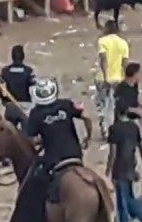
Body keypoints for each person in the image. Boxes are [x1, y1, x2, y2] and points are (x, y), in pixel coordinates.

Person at [17, 78, 92, 209]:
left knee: (33, 182)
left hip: (53, 158)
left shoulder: (36, 113)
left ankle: (35, 213)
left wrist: (41, 138)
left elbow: (31, 139)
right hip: (75, 153)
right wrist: (88, 137)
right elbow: (86, 117)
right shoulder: (65, 104)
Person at [105, 107, 142, 222]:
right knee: (128, 200)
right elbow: (141, 148)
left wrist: (107, 174)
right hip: (130, 168)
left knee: (123, 204)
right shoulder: (133, 127)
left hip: (119, 169)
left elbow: (112, 154)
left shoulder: (114, 129)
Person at [96, 20, 129, 138]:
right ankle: (115, 129)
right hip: (118, 78)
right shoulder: (123, 43)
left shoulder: (102, 41)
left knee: (102, 104)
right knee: (115, 104)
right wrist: (124, 78)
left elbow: (103, 59)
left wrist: (105, 77)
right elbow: (125, 63)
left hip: (103, 78)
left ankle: (104, 129)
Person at [0, 44, 36, 127]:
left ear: (12, 57)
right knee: (29, 134)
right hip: (25, 108)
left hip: (10, 106)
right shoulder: (29, 71)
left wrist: (4, 100)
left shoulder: (5, 71)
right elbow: (35, 89)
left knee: (8, 133)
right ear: (23, 57)